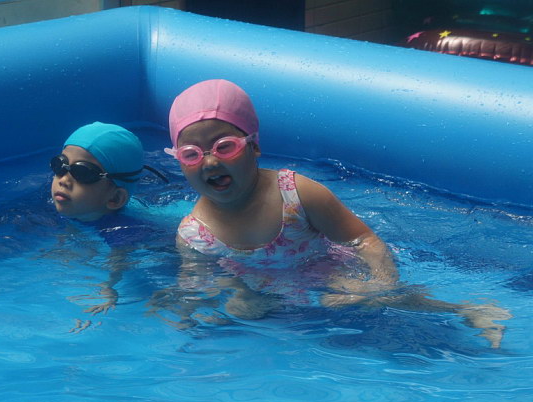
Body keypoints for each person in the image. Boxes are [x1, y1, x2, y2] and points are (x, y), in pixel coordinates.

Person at [159, 78, 510, 347]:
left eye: (225, 147)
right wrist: (204, 306)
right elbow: (198, 280)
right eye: (191, 154)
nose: (210, 162)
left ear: (255, 146)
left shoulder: (296, 193)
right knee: (238, 312)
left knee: (368, 294)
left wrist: (380, 281)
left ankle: (467, 309)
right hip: (266, 292)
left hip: (327, 271)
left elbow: (364, 240)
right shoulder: (193, 234)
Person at [50, 121, 167, 316]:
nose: (64, 180)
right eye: (59, 166)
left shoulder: (121, 229)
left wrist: (109, 288)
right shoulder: (76, 207)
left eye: (82, 173)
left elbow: (120, 260)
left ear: (115, 198)